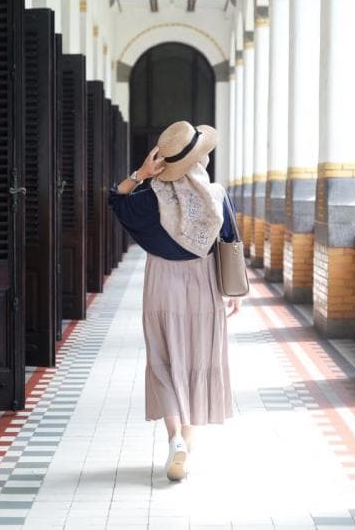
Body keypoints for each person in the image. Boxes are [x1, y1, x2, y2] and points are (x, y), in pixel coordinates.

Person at [108, 120, 242, 482]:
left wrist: (140, 173)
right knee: (200, 359)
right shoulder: (216, 196)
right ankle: (187, 441)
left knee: (163, 358)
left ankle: (174, 440)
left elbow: (116, 199)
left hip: (161, 282)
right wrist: (235, 293)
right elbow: (230, 241)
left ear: (163, 163)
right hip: (204, 283)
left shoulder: (150, 197)